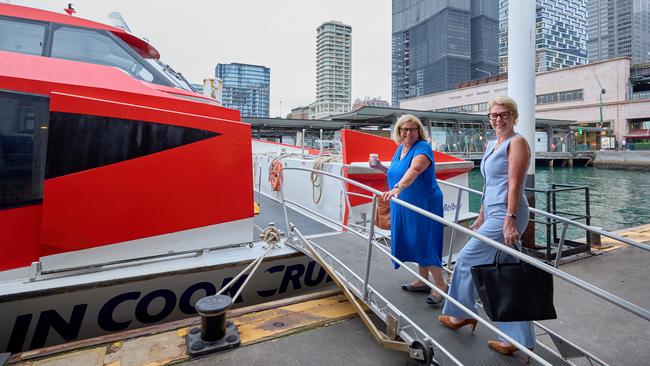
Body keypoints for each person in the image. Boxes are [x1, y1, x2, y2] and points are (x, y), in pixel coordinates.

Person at [438, 96, 534, 359]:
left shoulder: (518, 143)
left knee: (467, 258)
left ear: (514, 116)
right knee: (508, 272)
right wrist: (481, 213)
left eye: (504, 114)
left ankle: (460, 314)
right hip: (492, 212)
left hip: (507, 213)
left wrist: (510, 218)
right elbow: (490, 183)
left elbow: (514, 184)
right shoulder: (493, 144)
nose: (499, 119)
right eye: (494, 115)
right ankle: (519, 339)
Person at [369, 114, 446, 305]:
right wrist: (380, 167)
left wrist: (397, 188)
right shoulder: (401, 149)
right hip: (405, 201)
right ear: (399, 132)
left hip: (424, 202)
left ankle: (441, 286)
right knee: (414, 240)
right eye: (404, 129)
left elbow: (415, 171)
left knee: (426, 241)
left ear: (419, 131)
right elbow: (397, 173)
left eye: (412, 129)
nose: (408, 133)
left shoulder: (423, 148)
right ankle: (422, 281)